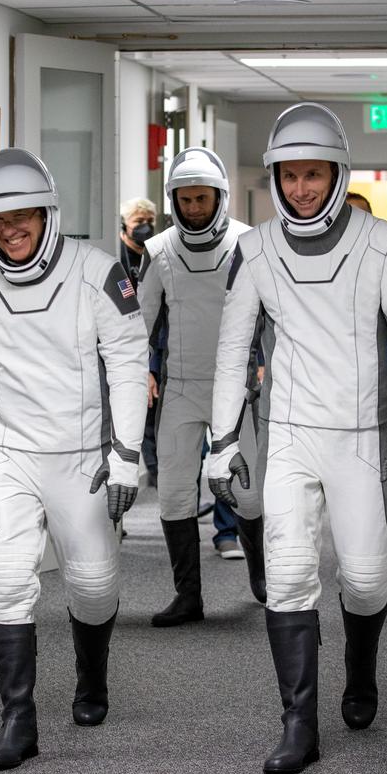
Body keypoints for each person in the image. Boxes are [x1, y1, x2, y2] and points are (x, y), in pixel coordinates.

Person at [208, 103, 387, 774]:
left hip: (360, 438)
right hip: (288, 437)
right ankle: (297, 725)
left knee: (366, 578)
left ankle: (359, 673)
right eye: (289, 175)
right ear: (274, 178)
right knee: (287, 573)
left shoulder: (383, 243)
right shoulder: (252, 250)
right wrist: (221, 443)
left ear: (336, 173)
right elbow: (230, 352)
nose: (301, 188)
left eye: (314, 174)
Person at [0, 148, 147, 771]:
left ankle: (91, 677)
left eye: (24, 217)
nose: (12, 231)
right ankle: (18, 717)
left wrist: (126, 453)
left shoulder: (98, 274)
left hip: (83, 457)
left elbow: (128, 363)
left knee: (93, 587)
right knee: (5, 583)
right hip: (9, 456)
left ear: (48, 214)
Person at [138, 147, 264, 627]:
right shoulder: (158, 252)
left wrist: (267, 364)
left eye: (202, 199)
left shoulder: (250, 244)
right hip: (181, 388)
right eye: (185, 200)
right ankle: (187, 596)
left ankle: (259, 573)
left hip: (237, 390)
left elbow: (273, 314)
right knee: (173, 494)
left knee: (248, 495)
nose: (194, 208)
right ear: (173, 200)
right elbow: (140, 324)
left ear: (220, 198)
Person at [120, 196, 159, 483]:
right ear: (124, 226)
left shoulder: (155, 255)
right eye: (138, 223)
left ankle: (160, 475)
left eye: (148, 223)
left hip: (153, 344)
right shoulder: (116, 257)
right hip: (123, 343)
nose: (144, 228)